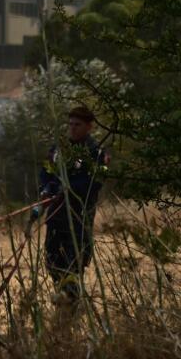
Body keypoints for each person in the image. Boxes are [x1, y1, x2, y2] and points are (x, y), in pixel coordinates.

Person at [32, 106, 109, 301]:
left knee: (73, 265)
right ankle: (65, 304)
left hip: (78, 220)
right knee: (52, 263)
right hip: (56, 217)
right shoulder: (58, 149)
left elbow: (95, 182)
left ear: (89, 127)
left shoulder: (96, 152)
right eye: (71, 124)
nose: (73, 128)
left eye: (78, 125)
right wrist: (46, 189)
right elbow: (46, 172)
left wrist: (68, 189)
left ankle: (72, 305)